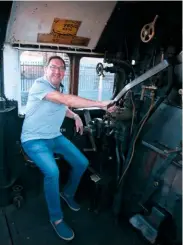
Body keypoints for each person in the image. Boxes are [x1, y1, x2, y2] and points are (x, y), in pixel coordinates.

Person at [21, 55, 112, 241]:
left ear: (64, 73)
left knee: (82, 162)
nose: (57, 71)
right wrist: (102, 104)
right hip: (33, 140)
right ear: (45, 70)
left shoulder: (56, 88)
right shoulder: (40, 85)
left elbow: (61, 105)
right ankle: (56, 218)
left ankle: (67, 193)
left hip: (54, 137)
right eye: (53, 67)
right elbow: (63, 99)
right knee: (53, 172)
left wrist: (76, 117)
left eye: (61, 68)